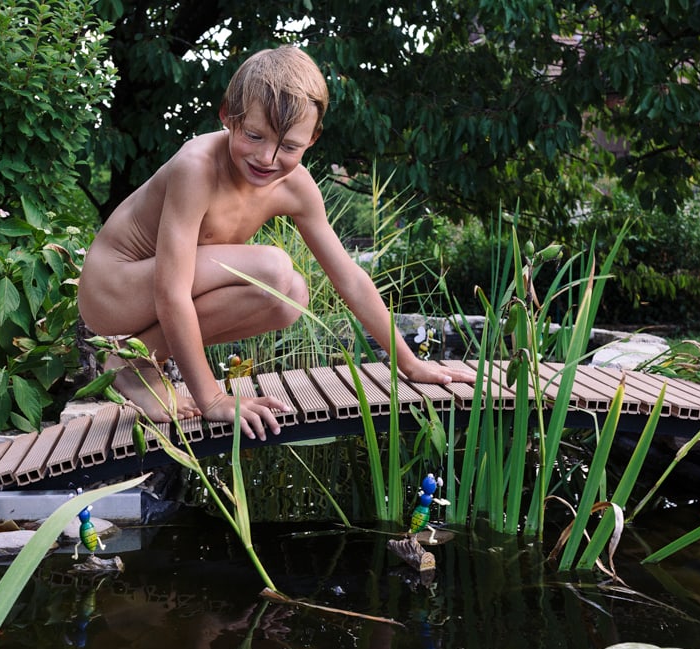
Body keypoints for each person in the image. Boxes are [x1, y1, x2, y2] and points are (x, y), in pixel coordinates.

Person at [78, 45, 474, 441]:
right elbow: (171, 291)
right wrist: (212, 399)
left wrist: (409, 364)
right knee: (274, 268)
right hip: (113, 288)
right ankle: (141, 363)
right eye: (254, 136)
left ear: (313, 139)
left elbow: (349, 278)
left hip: (157, 289)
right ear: (227, 116)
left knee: (289, 296)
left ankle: (133, 363)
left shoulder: (296, 187)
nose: (267, 157)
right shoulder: (196, 167)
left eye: (288, 147)